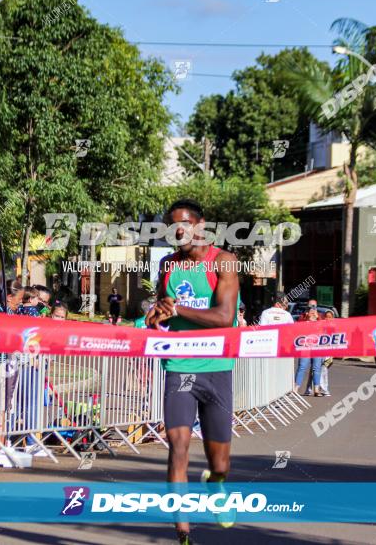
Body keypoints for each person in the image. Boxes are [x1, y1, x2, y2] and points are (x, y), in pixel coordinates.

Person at [145, 199, 240, 544]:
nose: (179, 230)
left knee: (221, 464)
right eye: (172, 225)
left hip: (217, 368)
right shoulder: (168, 265)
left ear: (201, 225)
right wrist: (154, 320)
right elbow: (159, 313)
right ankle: (182, 532)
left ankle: (216, 485)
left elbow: (224, 316)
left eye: (185, 223)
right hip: (179, 367)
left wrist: (178, 309)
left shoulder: (224, 261)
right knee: (178, 446)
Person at [295, 307, 325, 397]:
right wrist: (307, 319)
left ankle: (316, 389)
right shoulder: (304, 321)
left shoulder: (320, 321)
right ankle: (295, 388)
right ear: (307, 313)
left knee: (317, 368)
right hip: (305, 347)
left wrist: (318, 318)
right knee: (302, 367)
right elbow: (298, 328)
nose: (313, 314)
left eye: (314, 312)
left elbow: (325, 328)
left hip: (317, 347)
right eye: (311, 312)